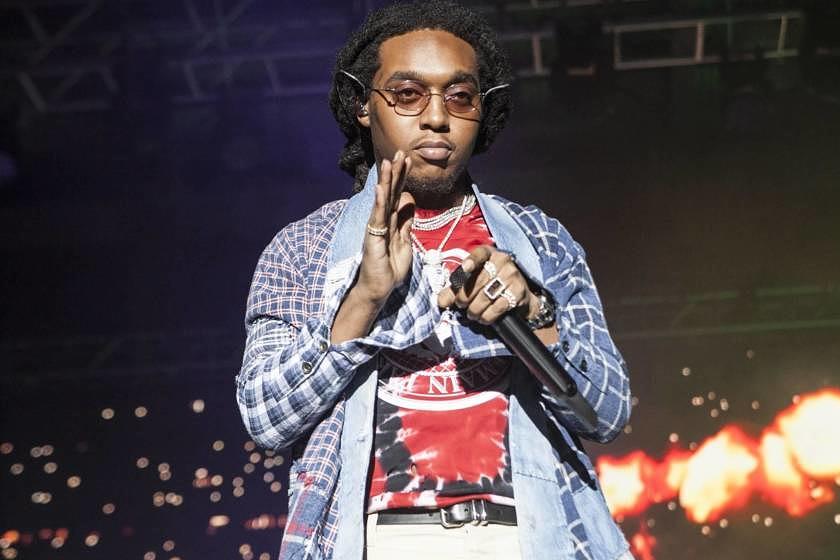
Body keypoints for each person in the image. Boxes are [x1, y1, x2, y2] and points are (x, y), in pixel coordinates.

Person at [236, 2, 632, 558]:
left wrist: (534, 314)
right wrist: (365, 297)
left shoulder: (539, 240)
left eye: (461, 96)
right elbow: (266, 418)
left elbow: (606, 413)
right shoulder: (303, 248)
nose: (437, 117)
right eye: (407, 94)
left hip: (525, 537)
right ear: (363, 106)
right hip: (376, 540)